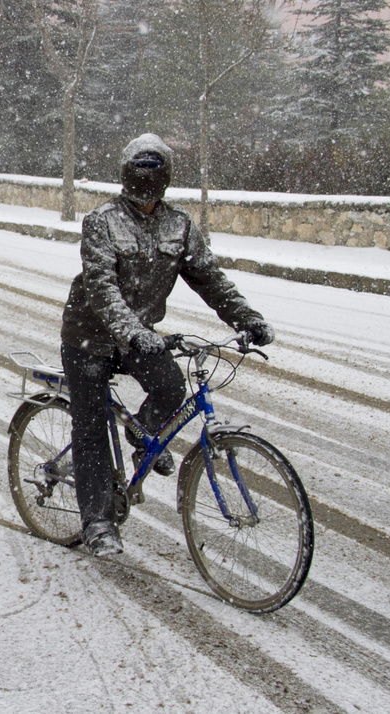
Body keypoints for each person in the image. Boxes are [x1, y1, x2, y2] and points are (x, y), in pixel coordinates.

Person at [60, 133, 275, 557]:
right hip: (89, 337)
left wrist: (246, 317)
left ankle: (144, 437)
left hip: (139, 335)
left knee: (171, 388)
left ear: (166, 179)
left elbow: (210, 279)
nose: (145, 185)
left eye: (153, 174)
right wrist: (134, 331)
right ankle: (98, 521)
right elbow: (102, 289)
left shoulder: (180, 226)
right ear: (125, 175)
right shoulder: (101, 221)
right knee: (91, 429)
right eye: (139, 173)